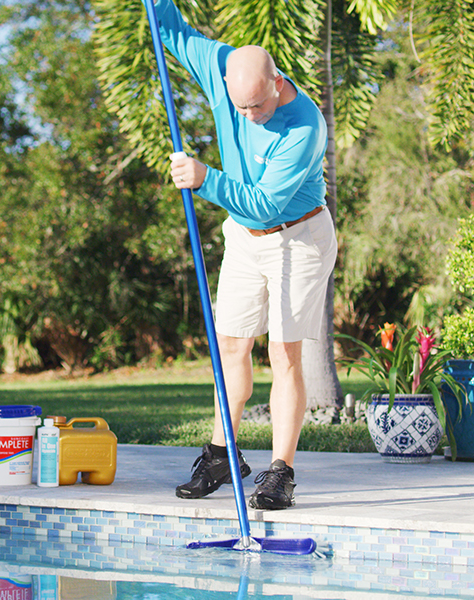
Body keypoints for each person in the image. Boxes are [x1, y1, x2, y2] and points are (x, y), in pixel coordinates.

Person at [150, 0, 338, 510]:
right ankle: (220, 455)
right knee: (229, 348)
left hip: (297, 238)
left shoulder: (303, 127)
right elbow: (170, 29)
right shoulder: (221, 66)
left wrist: (204, 177)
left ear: (277, 83)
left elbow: (264, 204)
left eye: (257, 106)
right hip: (245, 238)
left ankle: (282, 473)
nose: (249, 115)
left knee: (283, 354)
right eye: (239, 107)